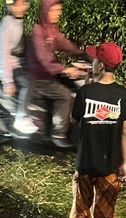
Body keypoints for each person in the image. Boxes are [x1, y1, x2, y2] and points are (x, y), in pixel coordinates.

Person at [63, 42, 126, 218]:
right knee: (105, 207)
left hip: (85, 161)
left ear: (100, 65)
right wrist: (125, 162)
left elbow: (73, 120)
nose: (91, 63)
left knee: (80, 206)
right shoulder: (124, 94)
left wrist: (85, 89)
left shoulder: (85, 91)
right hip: (109, 164)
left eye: (94, 59)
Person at [27, 0, 86, 148]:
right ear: (45, 11)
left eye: (59, 11)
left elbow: (64, 44)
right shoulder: (38, 31)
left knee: (75, 87)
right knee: (64, 95)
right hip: (38, 78)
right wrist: (64, 69)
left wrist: (83, 53)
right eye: (54, 11)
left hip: (50, 74)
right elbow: (44, 58)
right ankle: (58, 134)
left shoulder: (52, 29)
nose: (57, 14)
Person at [0, 0, 36, 135]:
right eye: (16, 5)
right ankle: (21, 118)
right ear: (11, 7)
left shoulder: (18, 22)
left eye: (23, 4)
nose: (20, 8)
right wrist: (8, 82)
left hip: (16, 63)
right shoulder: (7, 25)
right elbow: (4, 55)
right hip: (7, 67)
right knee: (28, 82)